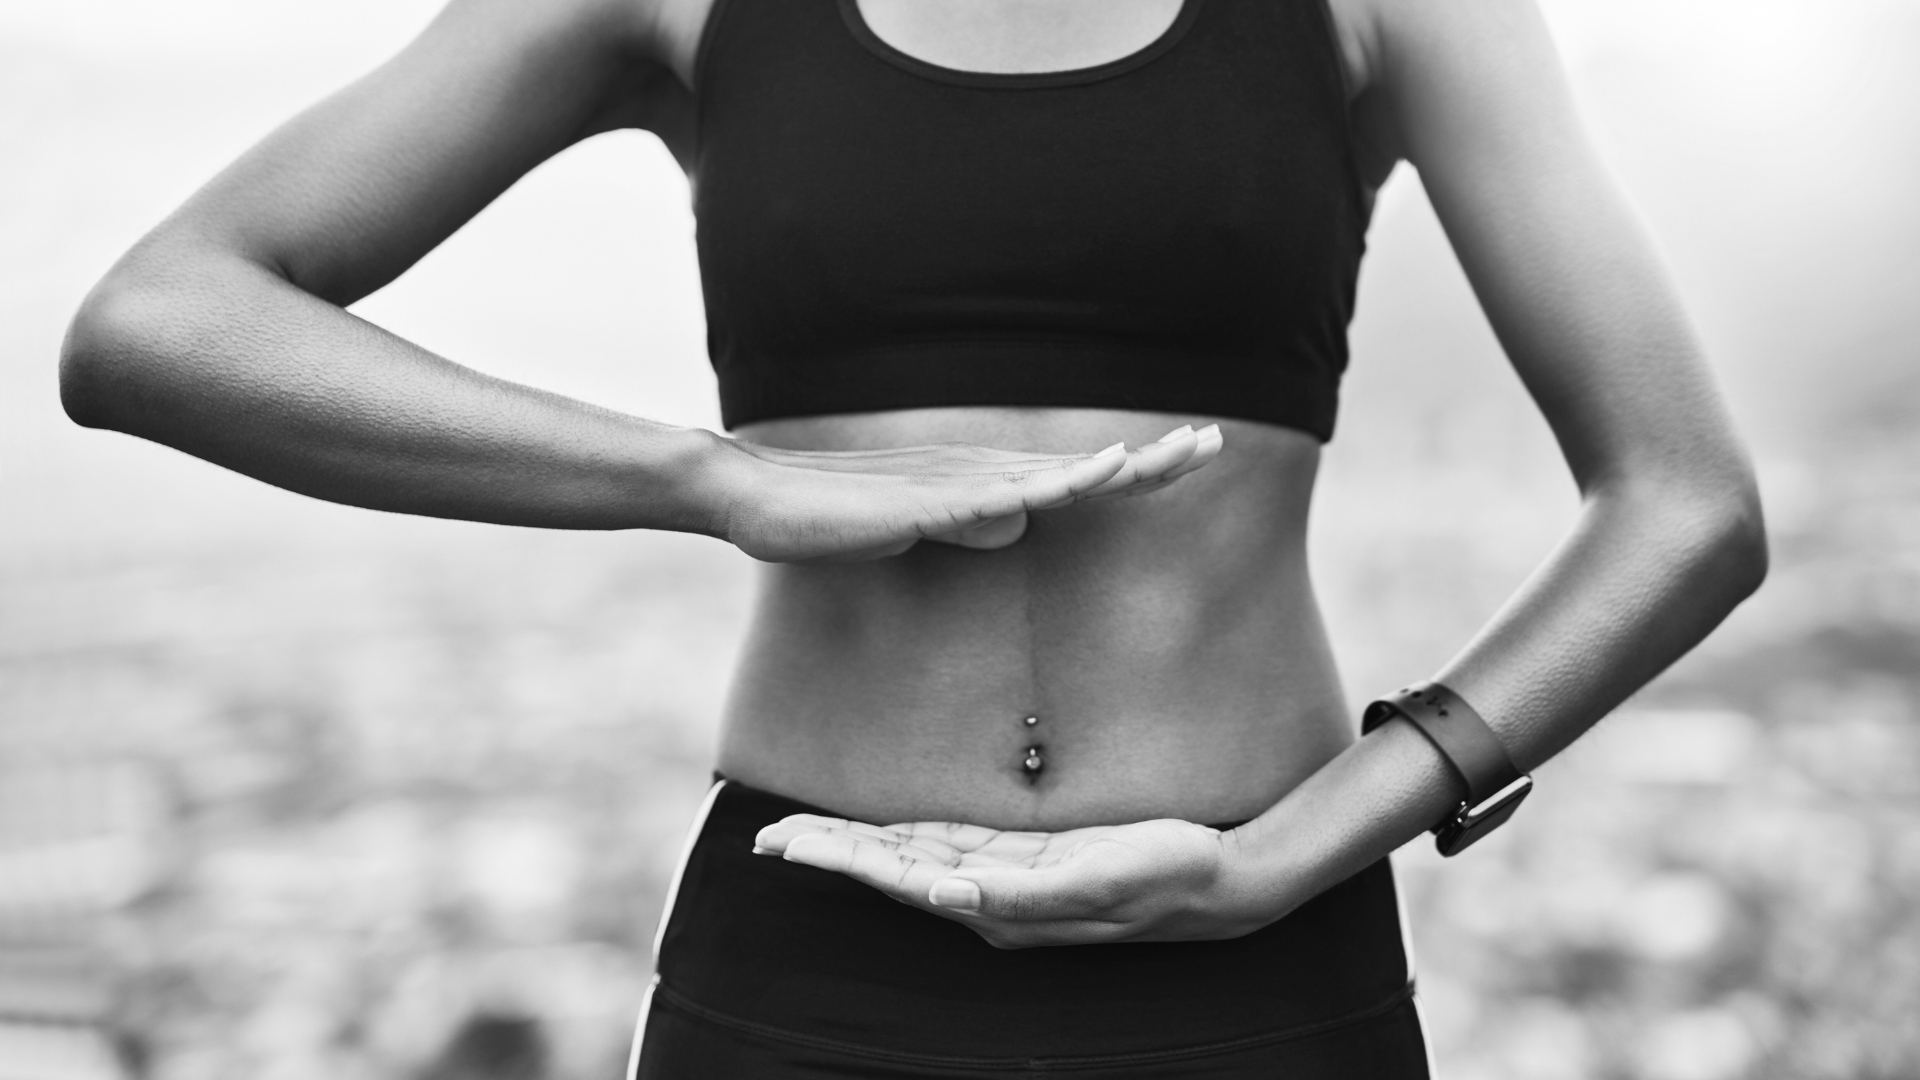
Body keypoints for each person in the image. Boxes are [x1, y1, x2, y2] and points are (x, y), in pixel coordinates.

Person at [58, 0, 1767, 1074]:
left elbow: (1686, 503)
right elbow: (161, 324)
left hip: (1263, 966)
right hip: (810, 969)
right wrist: (702, 477)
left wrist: (1292, 858)